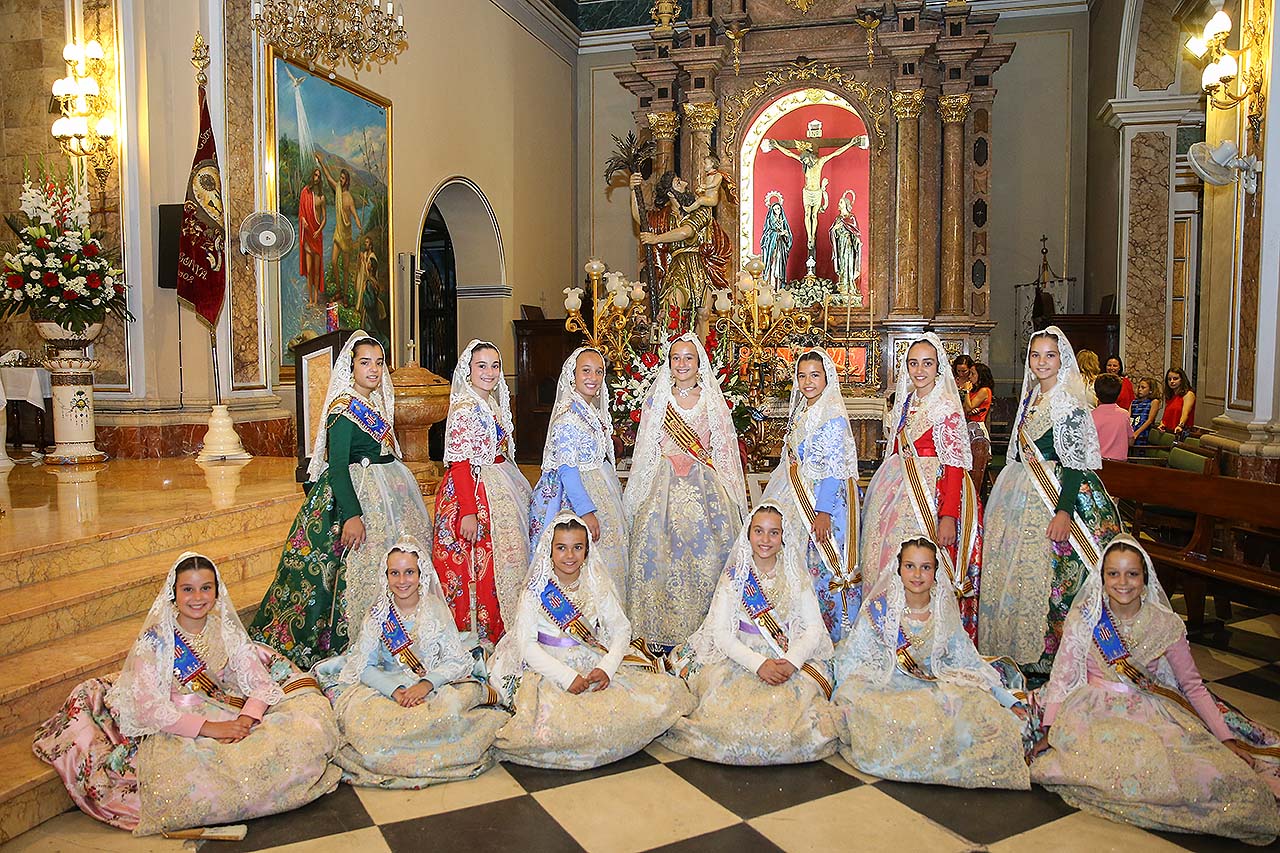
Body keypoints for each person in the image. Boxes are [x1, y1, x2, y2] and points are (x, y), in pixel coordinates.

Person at [34, 554, 340, 835]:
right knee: (199, 771)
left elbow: (259, 684)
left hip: (225, 712)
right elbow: (148, 708)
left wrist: (247, 718)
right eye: (188, 590)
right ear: (174, 593)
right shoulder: (156, 640)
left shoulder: (225, 632)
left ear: (217, 593)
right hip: (174, 722)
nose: (197, 598)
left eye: (206, 588)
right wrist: (211, 729)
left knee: (297, 740)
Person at [1032, 536, 1280, 843]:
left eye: (1132, 574)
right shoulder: (1086, 617)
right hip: (1092, 711)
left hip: (1148, 709)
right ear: (1102, 577)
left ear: (1145, 578)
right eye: (1113, 574)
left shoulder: (1165, 624)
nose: (1123, 582)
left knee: (1205, 774)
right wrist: (1050, 728)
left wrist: (1224, 737)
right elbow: (1063, 674)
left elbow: (1192, 686)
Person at [251, 333, 431, 668]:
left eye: (379, 363)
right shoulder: (344, 408)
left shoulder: (374, 403)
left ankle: (399, 630)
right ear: (351, 368)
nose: (374, 369)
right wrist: (351, 514)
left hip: (387, 492)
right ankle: (353, 638)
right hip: (356, 498)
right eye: (365, 363)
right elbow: (337, 467)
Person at [487, 514, 694, 770]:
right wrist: (566, 677)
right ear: (549, 550)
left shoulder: (597, 584)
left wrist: (606, 668)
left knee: (661, 697)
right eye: (561, 548)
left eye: (578, 547)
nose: (570, 556)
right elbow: (527, 646)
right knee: (558, 726)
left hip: (592, 661)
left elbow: (621, 629)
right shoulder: (536, 590)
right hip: (549, 668)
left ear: (587, 550)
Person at [978, 327, 1122, 684]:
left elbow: (1075, 463)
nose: (1041, 362)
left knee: (1055, 576)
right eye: (1036, 355)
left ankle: (1057, 656)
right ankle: (1022, 655)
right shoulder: (1031, 397)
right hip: (1022, 491)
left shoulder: (1069, 401)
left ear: (1062, 360)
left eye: (1050, 356)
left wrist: (1063, 512)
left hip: (1058, 495)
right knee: (1018, 569)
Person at [834, 538, 1033, 789]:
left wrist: (1005, 698)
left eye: (926, 567)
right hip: (888, 685)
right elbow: (855, 659)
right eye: (910, 566)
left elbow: (968, 662)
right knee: (875, 710)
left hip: (931, 685)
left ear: (936, 571)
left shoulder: (943, 611)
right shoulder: (879, 610)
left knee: (975, 708)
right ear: (898, 569)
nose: (917, 575)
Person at [316, 538, 506, 788]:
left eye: (409, 572)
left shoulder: (435, 610)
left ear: (420, 574)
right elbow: (364, 665)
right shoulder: (379, 614)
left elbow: (454, 661)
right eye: (394, 573)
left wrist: (426, 684)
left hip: (433, 684)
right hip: (388, 687)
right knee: (370, 724)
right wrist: (395, 691)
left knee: (448, 715)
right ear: (385, 576)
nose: (402, 580)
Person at [662, 503, 839, 765]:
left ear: (783, 537)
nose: (765, 540)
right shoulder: (735, 577)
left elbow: (814, 628)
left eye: (773, 533)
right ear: (748, 534)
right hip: (740, 657)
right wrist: (758, 665)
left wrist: (791, 662)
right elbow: (722, 635)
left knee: (796, 710)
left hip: (787, 657)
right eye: (759, 531)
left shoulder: (794, 575)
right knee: (728, 711)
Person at [623, 332, 746, 652]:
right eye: (676, 357)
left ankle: (706, 626)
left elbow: (722, 448)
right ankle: (657, 628)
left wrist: (731, 488)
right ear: (669, 362)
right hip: (662, 485)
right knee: (659, 553)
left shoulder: (710, 399)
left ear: (698, 363)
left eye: (688, 358)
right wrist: (638, 492)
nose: (681, 363)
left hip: (703, 484)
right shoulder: (658, 399)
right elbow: (646, 449)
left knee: (704, 553)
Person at [862, 334, 982, 640]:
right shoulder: (907, 402)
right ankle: (889, 631)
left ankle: (924, 634)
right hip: (896, 487)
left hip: (932, 494)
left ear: (938, 367)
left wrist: (948, 516)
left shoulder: (945, 407)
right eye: (913, 363)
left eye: (927, 363)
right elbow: (897, 449)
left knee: (925, 563)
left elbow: (954, 464)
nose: (919, 370)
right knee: (887, 559)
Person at [432, 340, 532, 649]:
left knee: (502, 561)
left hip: (497, 483)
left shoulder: (490, 403)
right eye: (481, 366)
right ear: (468, 370)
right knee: (476, 568)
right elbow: (460, 462)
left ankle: (504, 630)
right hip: (472, 493)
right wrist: (469, 511)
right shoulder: (465, 406)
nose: (489, 372)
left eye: (495, 366)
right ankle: (476, 636)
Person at [760, 349, 862, 641]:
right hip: (797, 492)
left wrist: (823, 512)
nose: (808, 382)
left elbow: (833, 469)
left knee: (822, 563)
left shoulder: (831, 415)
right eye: (802, 376)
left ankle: (832, 632)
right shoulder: (803, 410)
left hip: (822, 501)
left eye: (815, 375)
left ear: (827, 378)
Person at [529, 347, 626, 593]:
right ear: (572, 375)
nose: (593, 377)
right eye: (586, 371)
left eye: (598, 372)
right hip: (574, 495)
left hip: (598, 483)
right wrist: (586, 511)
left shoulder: (589, 409)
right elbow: (567, 470)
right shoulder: (568, 416)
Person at [630, 172, 731, 330]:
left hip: (701, 266)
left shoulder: (701, 210)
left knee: (703, 314)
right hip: (678, 268)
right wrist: (632, 189)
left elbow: (687, 231)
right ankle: (673, 351)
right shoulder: (664, 216)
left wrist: (656, 238)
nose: (685, 184)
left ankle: (702, 354)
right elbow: (640, 217)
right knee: (673, 308)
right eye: (678, 182)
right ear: (670, 192)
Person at [317, 154, 362, 297]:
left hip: (346, 235)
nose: (340, 180)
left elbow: (354, 213)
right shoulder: (337, 190)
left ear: (346, 181)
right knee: (334, 262)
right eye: (340, 178)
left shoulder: (348, 197)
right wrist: (322, 162)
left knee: (347, 268)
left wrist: (359, 224)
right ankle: (338, 290)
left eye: (342, 179)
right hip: (338, 233)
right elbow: (328, 176)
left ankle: (345, 295)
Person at [298, 166, 326, 305]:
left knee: (316, 271)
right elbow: (302, 212)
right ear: (312, 177)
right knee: (309, 270)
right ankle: (310, 299)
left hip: (317, 236)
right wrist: (303, 220)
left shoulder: (321, 198)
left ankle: (315, 299)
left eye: (319, 176)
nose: (317, 178)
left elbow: (324, 218)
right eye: (315, 175)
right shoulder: (305, 193)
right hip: (308, 236)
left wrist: (319, 230)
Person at [829, 189, 862, 302]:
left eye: (841, 202)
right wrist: (835, 230)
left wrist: (857, 241)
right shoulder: (838, 219)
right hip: (840, 246)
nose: (839, 204)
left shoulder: (851, 218)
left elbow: (856, 232)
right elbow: (832, 232)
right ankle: (842, 286)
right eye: (839, 202)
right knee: (842, 265)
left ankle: (850, 286)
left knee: (848, 264)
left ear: (846, 205)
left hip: (848, 246)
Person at [1092, 374, 1133, 461]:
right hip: (1119, 466)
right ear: (1118, 394)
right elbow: (1131, 441)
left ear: (1096, 393)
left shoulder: (1090, 416)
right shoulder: (1124, 415)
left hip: (1097, 464)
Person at [759, 197, 794, 290]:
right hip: (773, 247)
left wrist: (786, 235)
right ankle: (771, 286)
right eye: (775, 209)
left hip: (781, 246)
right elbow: (767, 235)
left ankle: (779, 286)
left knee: (780, 263)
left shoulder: (783, 221)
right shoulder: (770, 222)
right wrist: (778, 234)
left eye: (778, 208)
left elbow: (789, 236)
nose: (777, 211)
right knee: (773, 262)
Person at [1161, 367, 1196, 436]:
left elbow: (1185, 413)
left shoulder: (1188, 394)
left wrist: (1180, 425)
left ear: (1182, 380)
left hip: (1181, 432)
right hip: (1169, 431)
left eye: (1175, 379)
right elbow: (1167, 415)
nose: (1172, 381)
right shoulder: (1170, 396)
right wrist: (1162, 424)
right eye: (1169, 379)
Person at [1130, 376, 1162, 446]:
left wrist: (1137, 433)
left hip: (1143, 431)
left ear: (1150, 390)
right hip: (1132, 429)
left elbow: (1149, 420)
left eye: (1143, 388)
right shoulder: (1134, 402)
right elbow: (1129, 417)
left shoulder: (1154, 402)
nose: (1140, 390)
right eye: (1139, 387)